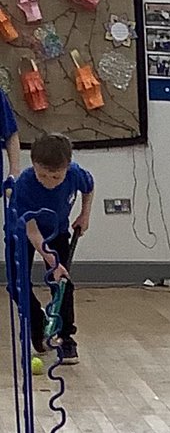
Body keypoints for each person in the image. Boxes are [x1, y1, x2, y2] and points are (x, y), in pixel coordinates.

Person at [11, 132, 93, 365]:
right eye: (43, 175)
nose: (49, 181)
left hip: (57, 231)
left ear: (67, 167)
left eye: (56, 177)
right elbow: (33, 232)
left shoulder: (76, 174)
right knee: (18, 285)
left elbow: (89, 187)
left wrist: (84, 215)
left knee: (63, 283)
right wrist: (53, 262)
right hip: (24, 233)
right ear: (34, 166)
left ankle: (66, 338)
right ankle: (38, 325)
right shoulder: (24, 185)